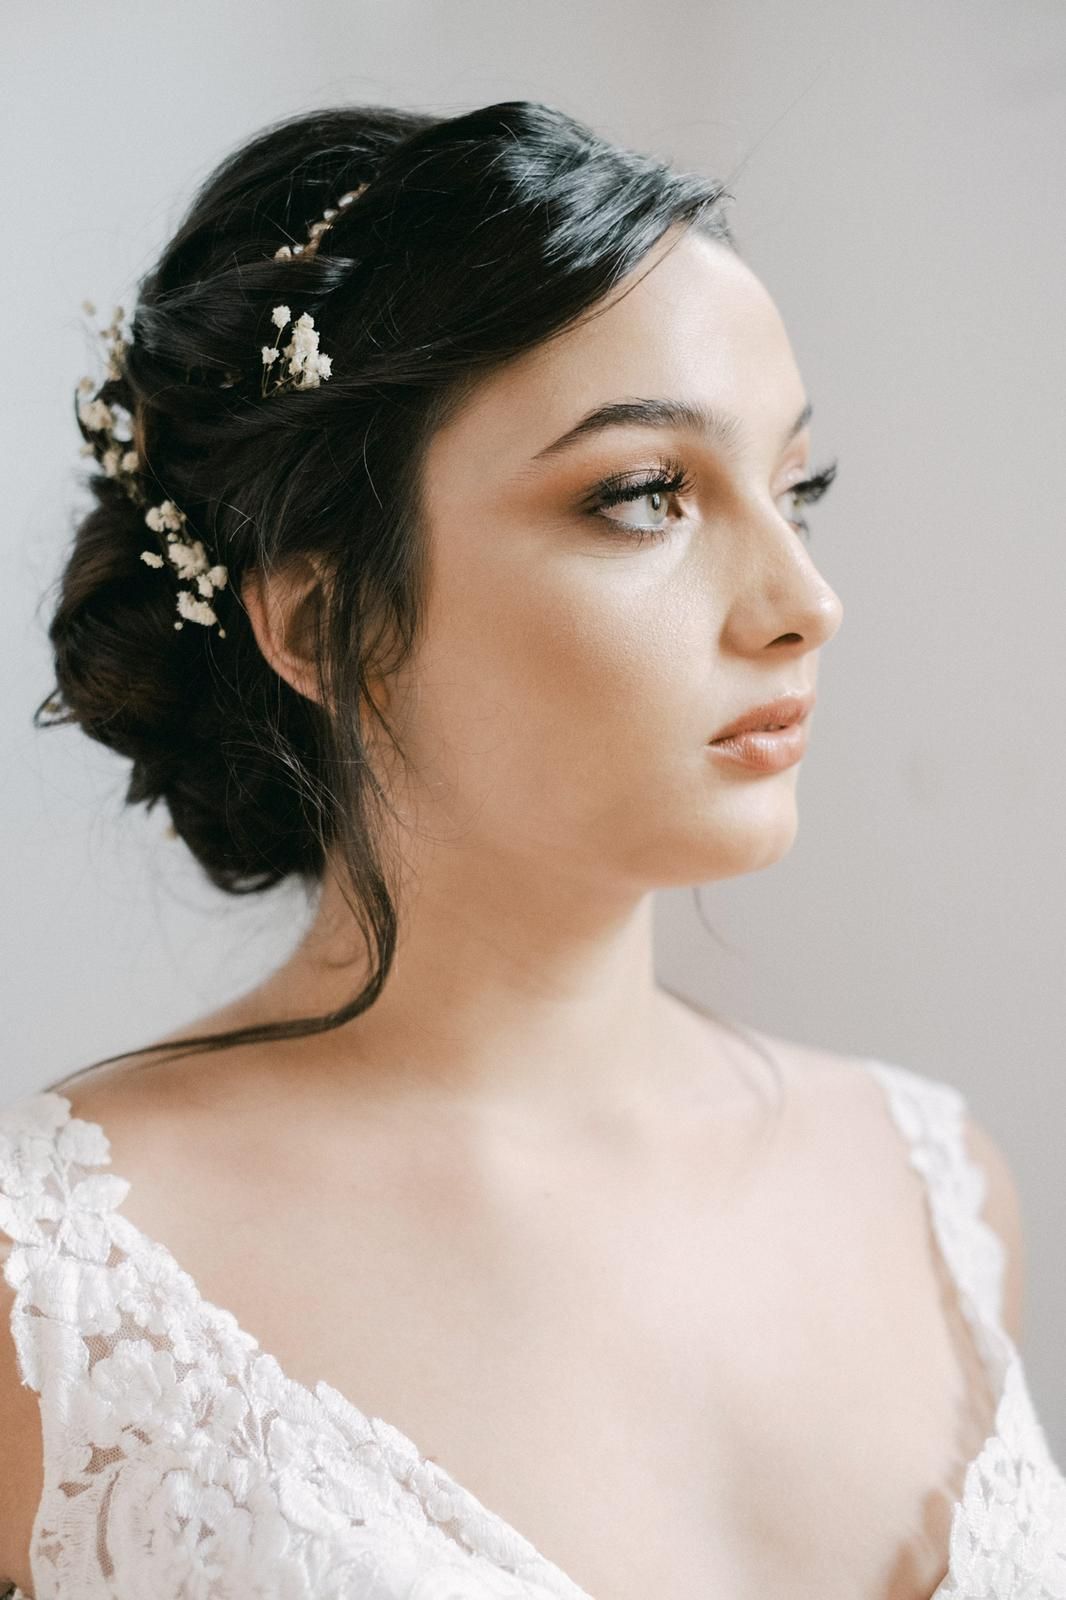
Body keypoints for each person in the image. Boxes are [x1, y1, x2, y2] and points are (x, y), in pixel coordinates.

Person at [0, 98, 1061, 1600]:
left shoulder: (934, 1186)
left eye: (796, 489)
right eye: (644, 495)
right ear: (319, 621)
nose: (801, 601)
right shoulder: (45, 1284)